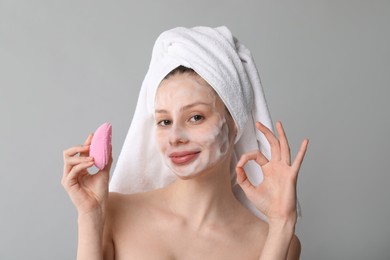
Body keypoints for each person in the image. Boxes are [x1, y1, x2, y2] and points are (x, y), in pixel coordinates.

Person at [62, 26, 308, 260]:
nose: (175, 136)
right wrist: (90, 216)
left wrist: (282, 222)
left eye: (195, 117)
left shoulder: (271, 238)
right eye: (164, 121)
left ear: (234, 122)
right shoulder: (112, 212)